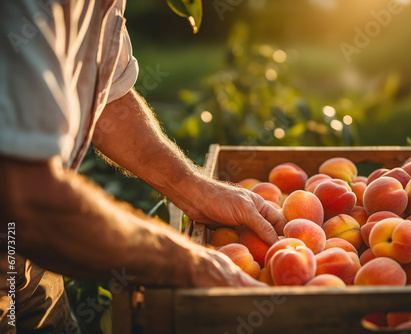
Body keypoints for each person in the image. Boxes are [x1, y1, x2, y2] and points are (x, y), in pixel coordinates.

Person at [0, 1, 286, 332]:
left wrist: (191, 187)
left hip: (32, 254)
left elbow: (109, 96)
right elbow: (27, 200)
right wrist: (185, 262)